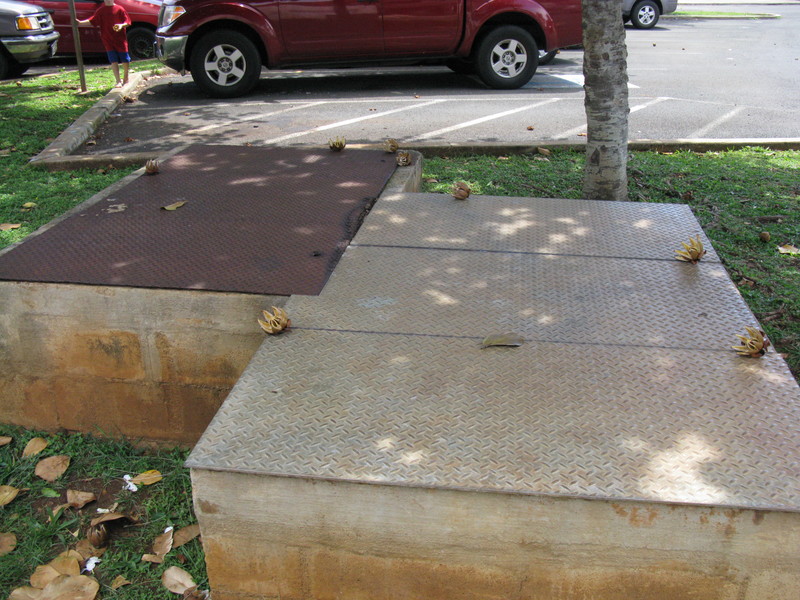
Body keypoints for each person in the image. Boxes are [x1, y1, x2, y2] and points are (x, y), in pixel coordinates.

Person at [77, 0, 132, 88]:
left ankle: (126, 77)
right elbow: (92, 21)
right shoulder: (101, 10)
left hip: (120, 39)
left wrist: (121, 25)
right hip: (107, 39)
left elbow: (127, 22)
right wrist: (80, 23)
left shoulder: (119, 9)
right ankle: (118, 80)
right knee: (113, 59)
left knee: (125, 58)